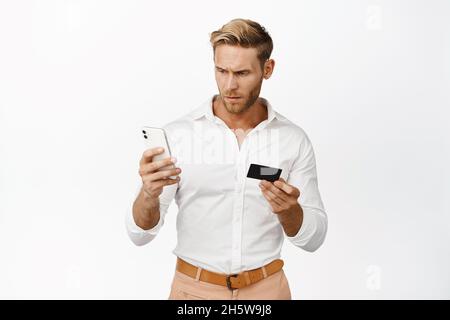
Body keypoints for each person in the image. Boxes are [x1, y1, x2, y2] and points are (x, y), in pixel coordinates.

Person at [126, 18, 327, 300]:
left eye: (243, 73)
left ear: (267, 69)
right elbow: (139, 235)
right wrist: (148, 193)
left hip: (267, 291)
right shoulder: (179, 135)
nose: (229, 85)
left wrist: (290, 212)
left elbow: (313, 239)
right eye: (221, 71)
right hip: (193, 291)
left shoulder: (292, 140)